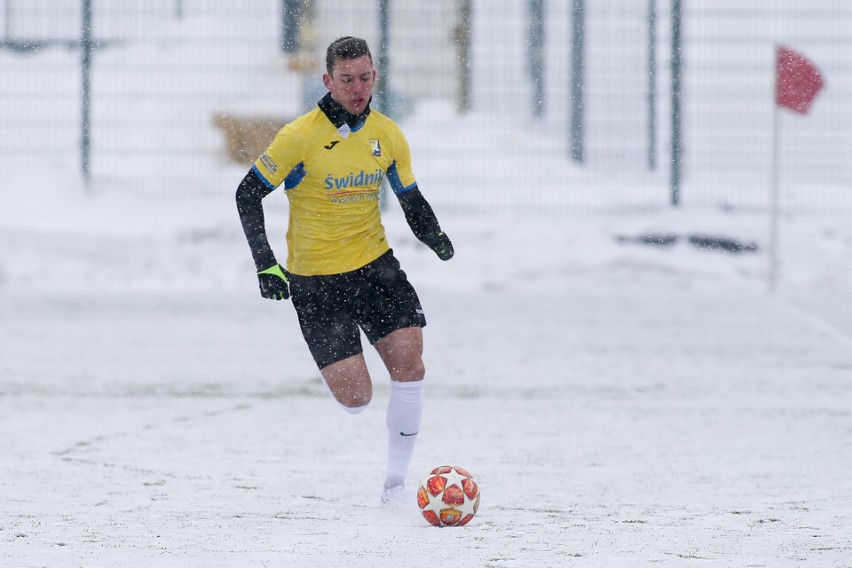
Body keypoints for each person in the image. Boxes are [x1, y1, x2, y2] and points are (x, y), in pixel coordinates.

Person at [235, 36, 454, 505]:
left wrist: (433, 236)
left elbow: (410, 198)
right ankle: (340, 369)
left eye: (365, 77)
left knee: (411, 364)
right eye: (348, 79)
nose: (358, 88)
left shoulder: (388, 134)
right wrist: (267, 266)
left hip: (375, 267)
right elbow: (246, 194)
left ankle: (395, 485)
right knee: (357, 398)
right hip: (316, 281)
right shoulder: (299, 137)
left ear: (375, 75)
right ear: (328, 81)